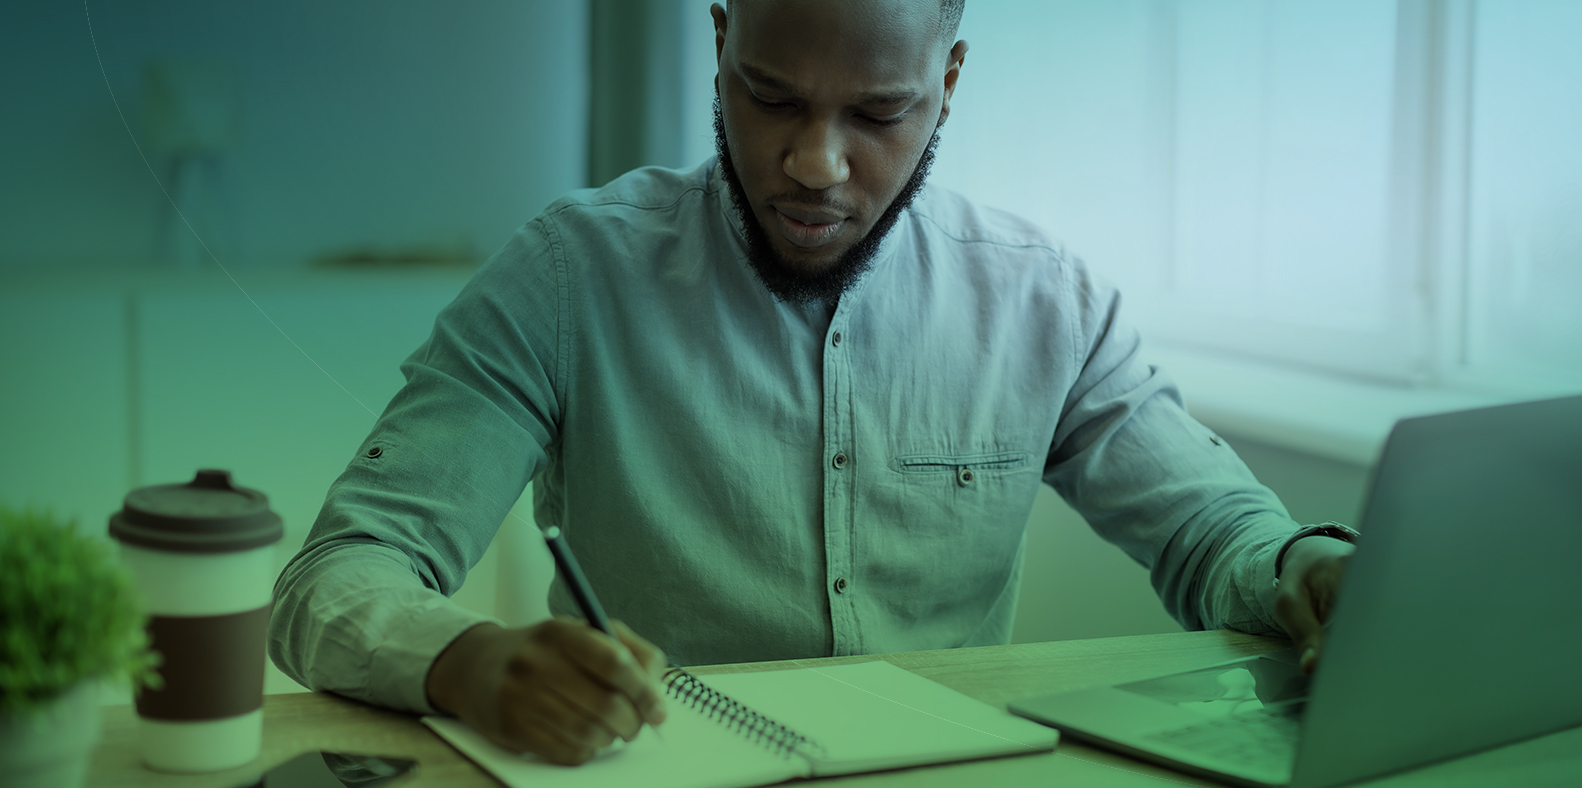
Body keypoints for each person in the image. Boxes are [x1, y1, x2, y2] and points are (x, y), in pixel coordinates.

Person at [269, 0, 1356, 768]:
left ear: (949, 82)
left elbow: (1217, 535)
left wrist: (1308, 565)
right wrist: (465, 658)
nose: (815, 164)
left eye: (879, 114)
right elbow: (335, 576)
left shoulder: (1043, 303)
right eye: (769, 97)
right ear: (718, 39)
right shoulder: (569, 277)